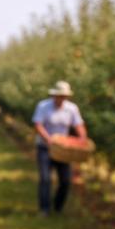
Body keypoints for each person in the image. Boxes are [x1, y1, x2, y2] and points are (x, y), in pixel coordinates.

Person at [32, 80, 87, 216]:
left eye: (64, 96)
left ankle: (58, 207)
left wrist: (82, 139)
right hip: (45, 147)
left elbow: (78, 125)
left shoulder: (72, 108)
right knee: (45, 178)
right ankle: (44, 209)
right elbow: (38, 124)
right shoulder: (43, 106)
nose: (62, 98)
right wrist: (48, 139)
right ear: (54, 95)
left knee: (65, 180)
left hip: (63, 149)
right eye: (59, 95)